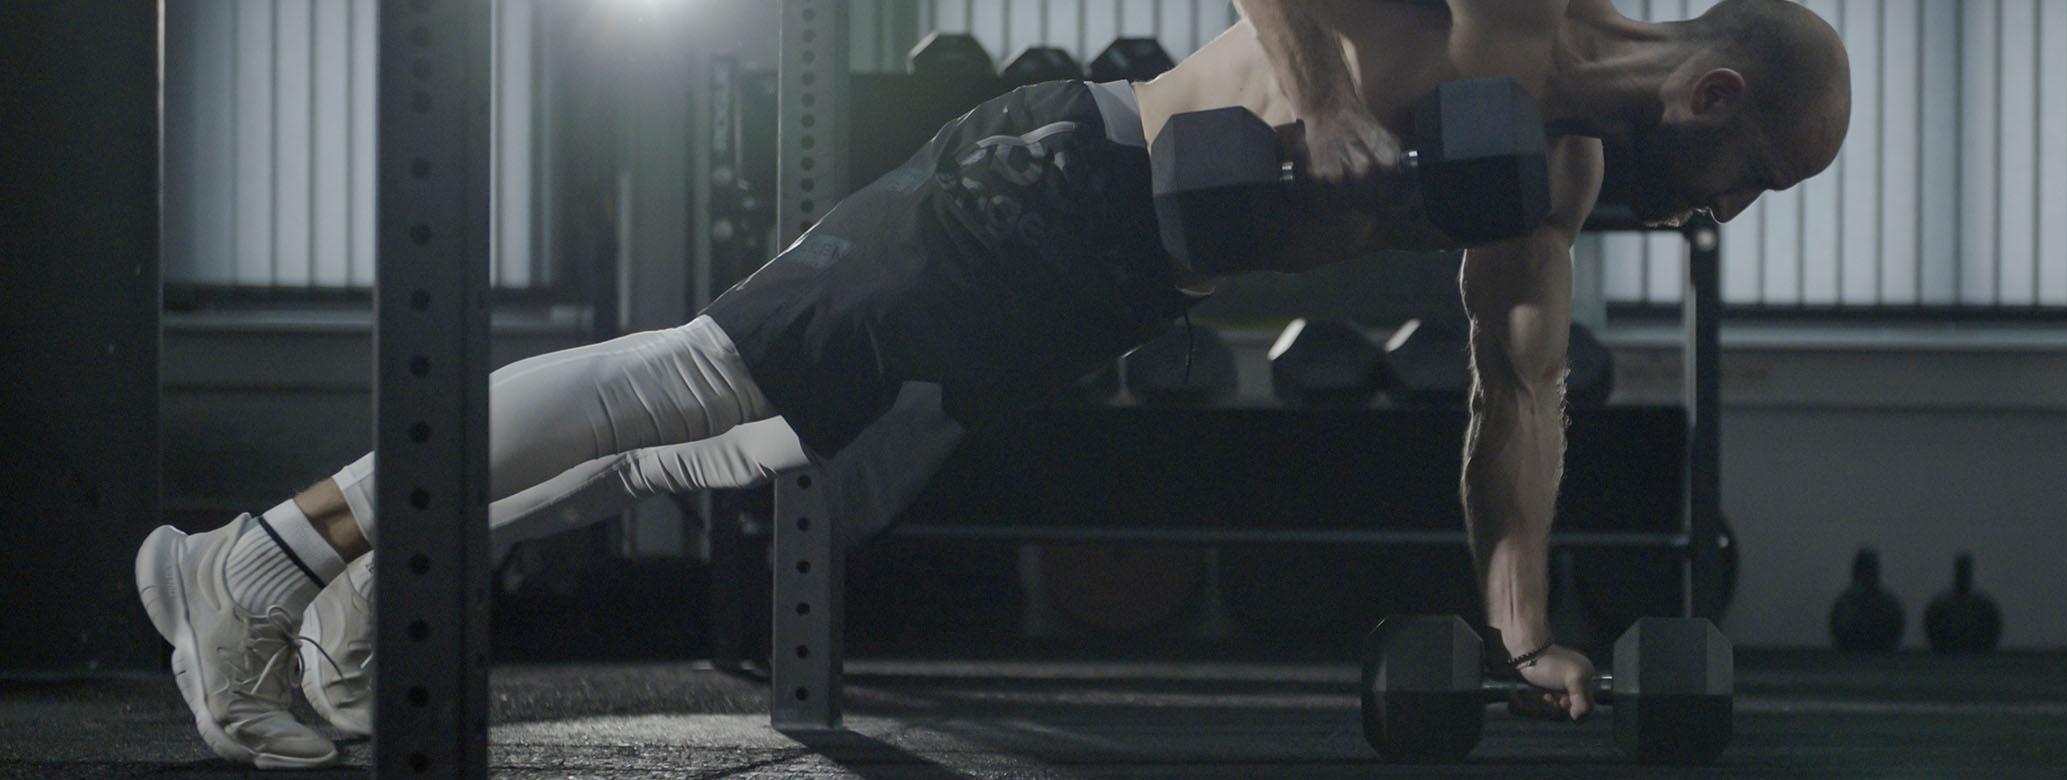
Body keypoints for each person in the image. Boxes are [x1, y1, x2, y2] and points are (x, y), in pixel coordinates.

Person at [133, 0, 1849, 767]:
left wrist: (1526, 626)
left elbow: (1517, 401)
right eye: (1752, 178)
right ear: (1711, 96)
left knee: (728, 451)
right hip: (1047, 178)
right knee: (691, 377)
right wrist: (1323, 80)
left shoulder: (1546, 183)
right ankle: (257, 563)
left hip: (1095, 285)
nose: (1720, 213)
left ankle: (369, 589)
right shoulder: (1503, 12)